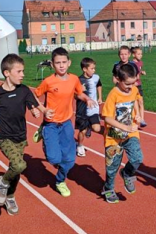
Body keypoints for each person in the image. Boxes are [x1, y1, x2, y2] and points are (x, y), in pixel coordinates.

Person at [0, 54, 43, 215]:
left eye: (23, 71)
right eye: (19, 71)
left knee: (16, 169)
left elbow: (33, 105)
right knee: (19, 165)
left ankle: (10, 196)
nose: (23, 75)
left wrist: (37, 111)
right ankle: (3, 182)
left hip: (20, 137)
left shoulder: (24, 90)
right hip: (3, 136)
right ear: (7, 73)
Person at [35, 47, 98, 197]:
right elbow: (35, 95)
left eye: (64, 62)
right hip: (51, 124)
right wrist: (42, 109)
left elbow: (79, 93)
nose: (61, 65)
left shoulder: (74, 79)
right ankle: (43, 132)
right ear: (52, 64)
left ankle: (60, 181)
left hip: (66, 123)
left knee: (69, 160)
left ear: (69, 62)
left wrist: (87, 99)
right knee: (53, 158)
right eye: (58, 63)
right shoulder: (48, 81)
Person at [101, 63, 144, 204]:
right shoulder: (113, 94)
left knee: (137, 158)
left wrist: (137, 116)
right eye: (127, 84)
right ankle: (108, 188)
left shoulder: (134, 89)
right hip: (114, 136)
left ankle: (127, 173)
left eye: (133, 83)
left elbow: (135, 101)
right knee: (112, 167)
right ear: (118, 80)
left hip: (130, 134)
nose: (130, 87)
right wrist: (124, 128)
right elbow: (107, 118)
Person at [75, 57, 103, 157]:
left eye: (94, 68)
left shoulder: (96, 77)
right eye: (92, 68)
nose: (94, 70)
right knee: (82, 131)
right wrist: (79, 90)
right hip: (82, 110)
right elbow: (74, 96)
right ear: (84, 69)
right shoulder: (78, 80)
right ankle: (80, 146)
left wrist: (100, 97)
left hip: (94, 108)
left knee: (97, 129)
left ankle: (89, 127)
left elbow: (99, 85)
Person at [113, 46, 145, 128]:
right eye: (121, 54)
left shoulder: (133, 65)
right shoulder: (116, 65)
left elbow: (137, 76)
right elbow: (114, 78)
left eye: (125, 54)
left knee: (137, 102)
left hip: (133, 87)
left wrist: (132, 84)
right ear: (119, 55)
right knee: (123, 106)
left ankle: (139, 118)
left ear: (129, 55)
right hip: (121, 89)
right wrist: (120, 84)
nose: (123, 56)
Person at [131, 46, 148, 127]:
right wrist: (139, 74)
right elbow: (132, 75)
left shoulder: (140, 63)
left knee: (141, 102)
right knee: (134, 103)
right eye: (138, 54)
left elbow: (139, 72)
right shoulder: (131, 64)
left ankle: (142, 120)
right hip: (132, 85)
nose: (140, 55)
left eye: (141, 54)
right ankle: (134, 119)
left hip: (139, 85)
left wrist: (141, 72)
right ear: (133, 55)